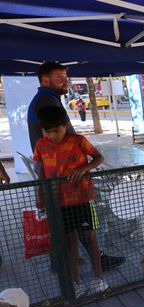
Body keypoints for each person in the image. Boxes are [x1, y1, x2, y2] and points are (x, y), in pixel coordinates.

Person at [27, 61, 125, 272]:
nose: (66, 82)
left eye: (66, 77)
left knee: (75, 227)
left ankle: (70, 264)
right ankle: (79, 265)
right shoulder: (47, 101)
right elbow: (66, 138)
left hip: (60, 177)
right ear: (45, 80)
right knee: (78, 228)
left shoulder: (47, 98)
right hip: (63, 178)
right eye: (60, 78)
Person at [34, 106, 109, 297]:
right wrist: (40, 194)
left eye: (56, 131)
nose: (52, 135)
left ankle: (99, 278)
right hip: (58, 202)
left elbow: (99, 158)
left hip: (83, 199)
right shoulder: (41, 145)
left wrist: (84, 168)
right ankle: (76, 282)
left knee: (90, 237)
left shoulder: (79, 140)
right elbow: (41, 170)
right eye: (47, 132)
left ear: (65, 126)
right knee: (70, 242)